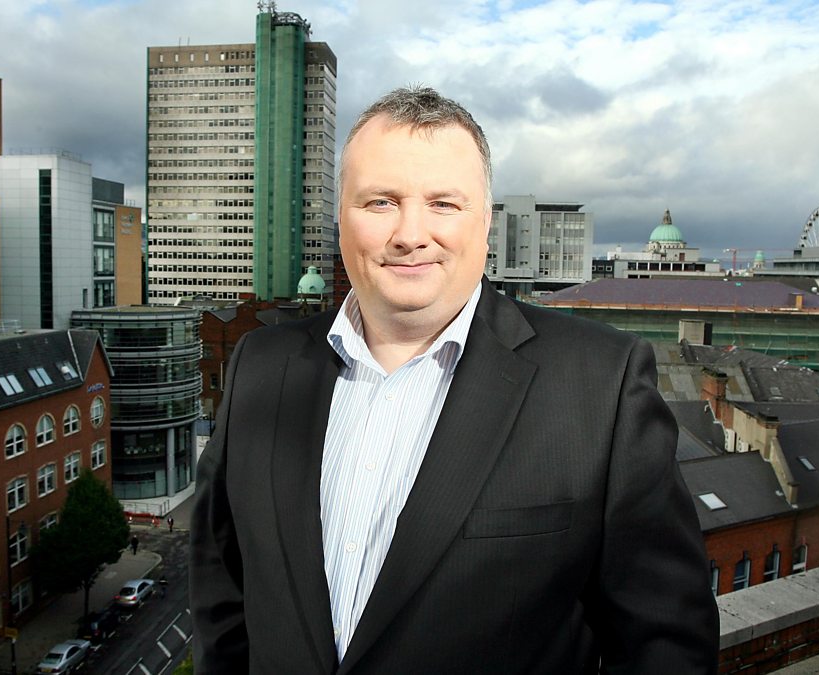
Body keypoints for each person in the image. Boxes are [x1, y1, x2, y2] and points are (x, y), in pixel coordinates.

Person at [190, 86, 719, 674]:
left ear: (485, 224)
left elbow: (665, 641)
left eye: (443, 203)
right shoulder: (261, 364)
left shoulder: (601, 384)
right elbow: (221, 593)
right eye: (380, 202)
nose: (410, 234)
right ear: (340, 218)